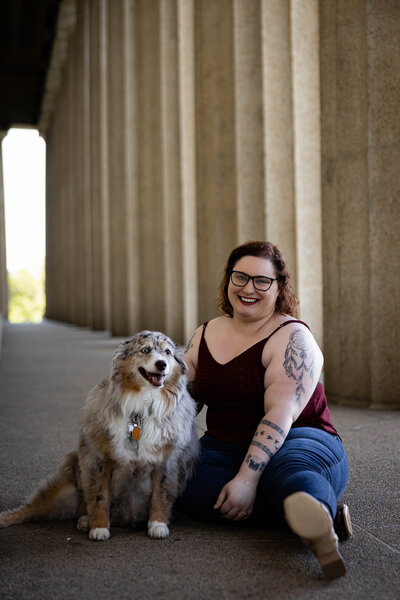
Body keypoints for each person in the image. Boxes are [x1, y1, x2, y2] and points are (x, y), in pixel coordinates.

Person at [179, 240, 351, 580]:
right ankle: (312, 517)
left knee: (288, 473)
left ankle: (312, 509)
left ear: (279, 286)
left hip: (300, 439)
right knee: (175, 476)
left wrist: (246, 479)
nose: (248, 289)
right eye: (240, 277)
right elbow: (180, 401)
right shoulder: (204, 334)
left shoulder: (293, 337)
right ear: (228, 279)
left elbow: (280, 414)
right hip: (224, 445)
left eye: (262, 281)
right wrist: (135, 436)